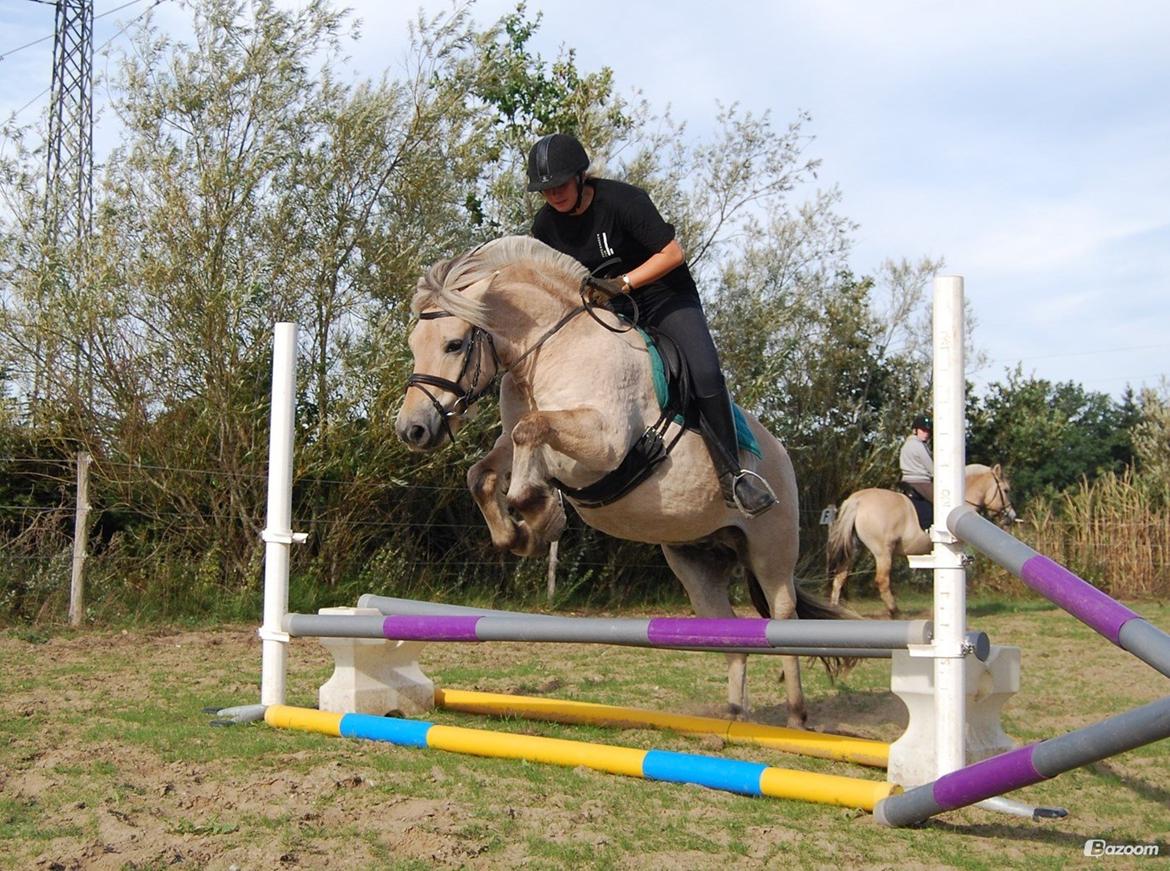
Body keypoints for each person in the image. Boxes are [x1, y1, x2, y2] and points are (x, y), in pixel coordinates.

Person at [525, 132, 776, 517]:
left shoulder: (623, 201)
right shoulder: (545, 226)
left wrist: (623, 283)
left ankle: (735, 475)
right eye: (545, 190)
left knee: (705, 371)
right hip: (607, 310)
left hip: (665, 299)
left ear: (579, 176)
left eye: (559, 185)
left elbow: (672, 253)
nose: (553, 195)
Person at [899, 414, 934, 529]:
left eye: (928, 431)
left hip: (906, 480)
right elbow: (930, 467)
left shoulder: (906, 445)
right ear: (915, 430)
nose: (926, 433)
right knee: (943, 501)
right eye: (923, 430)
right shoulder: (919, 446)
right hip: (921, 481)